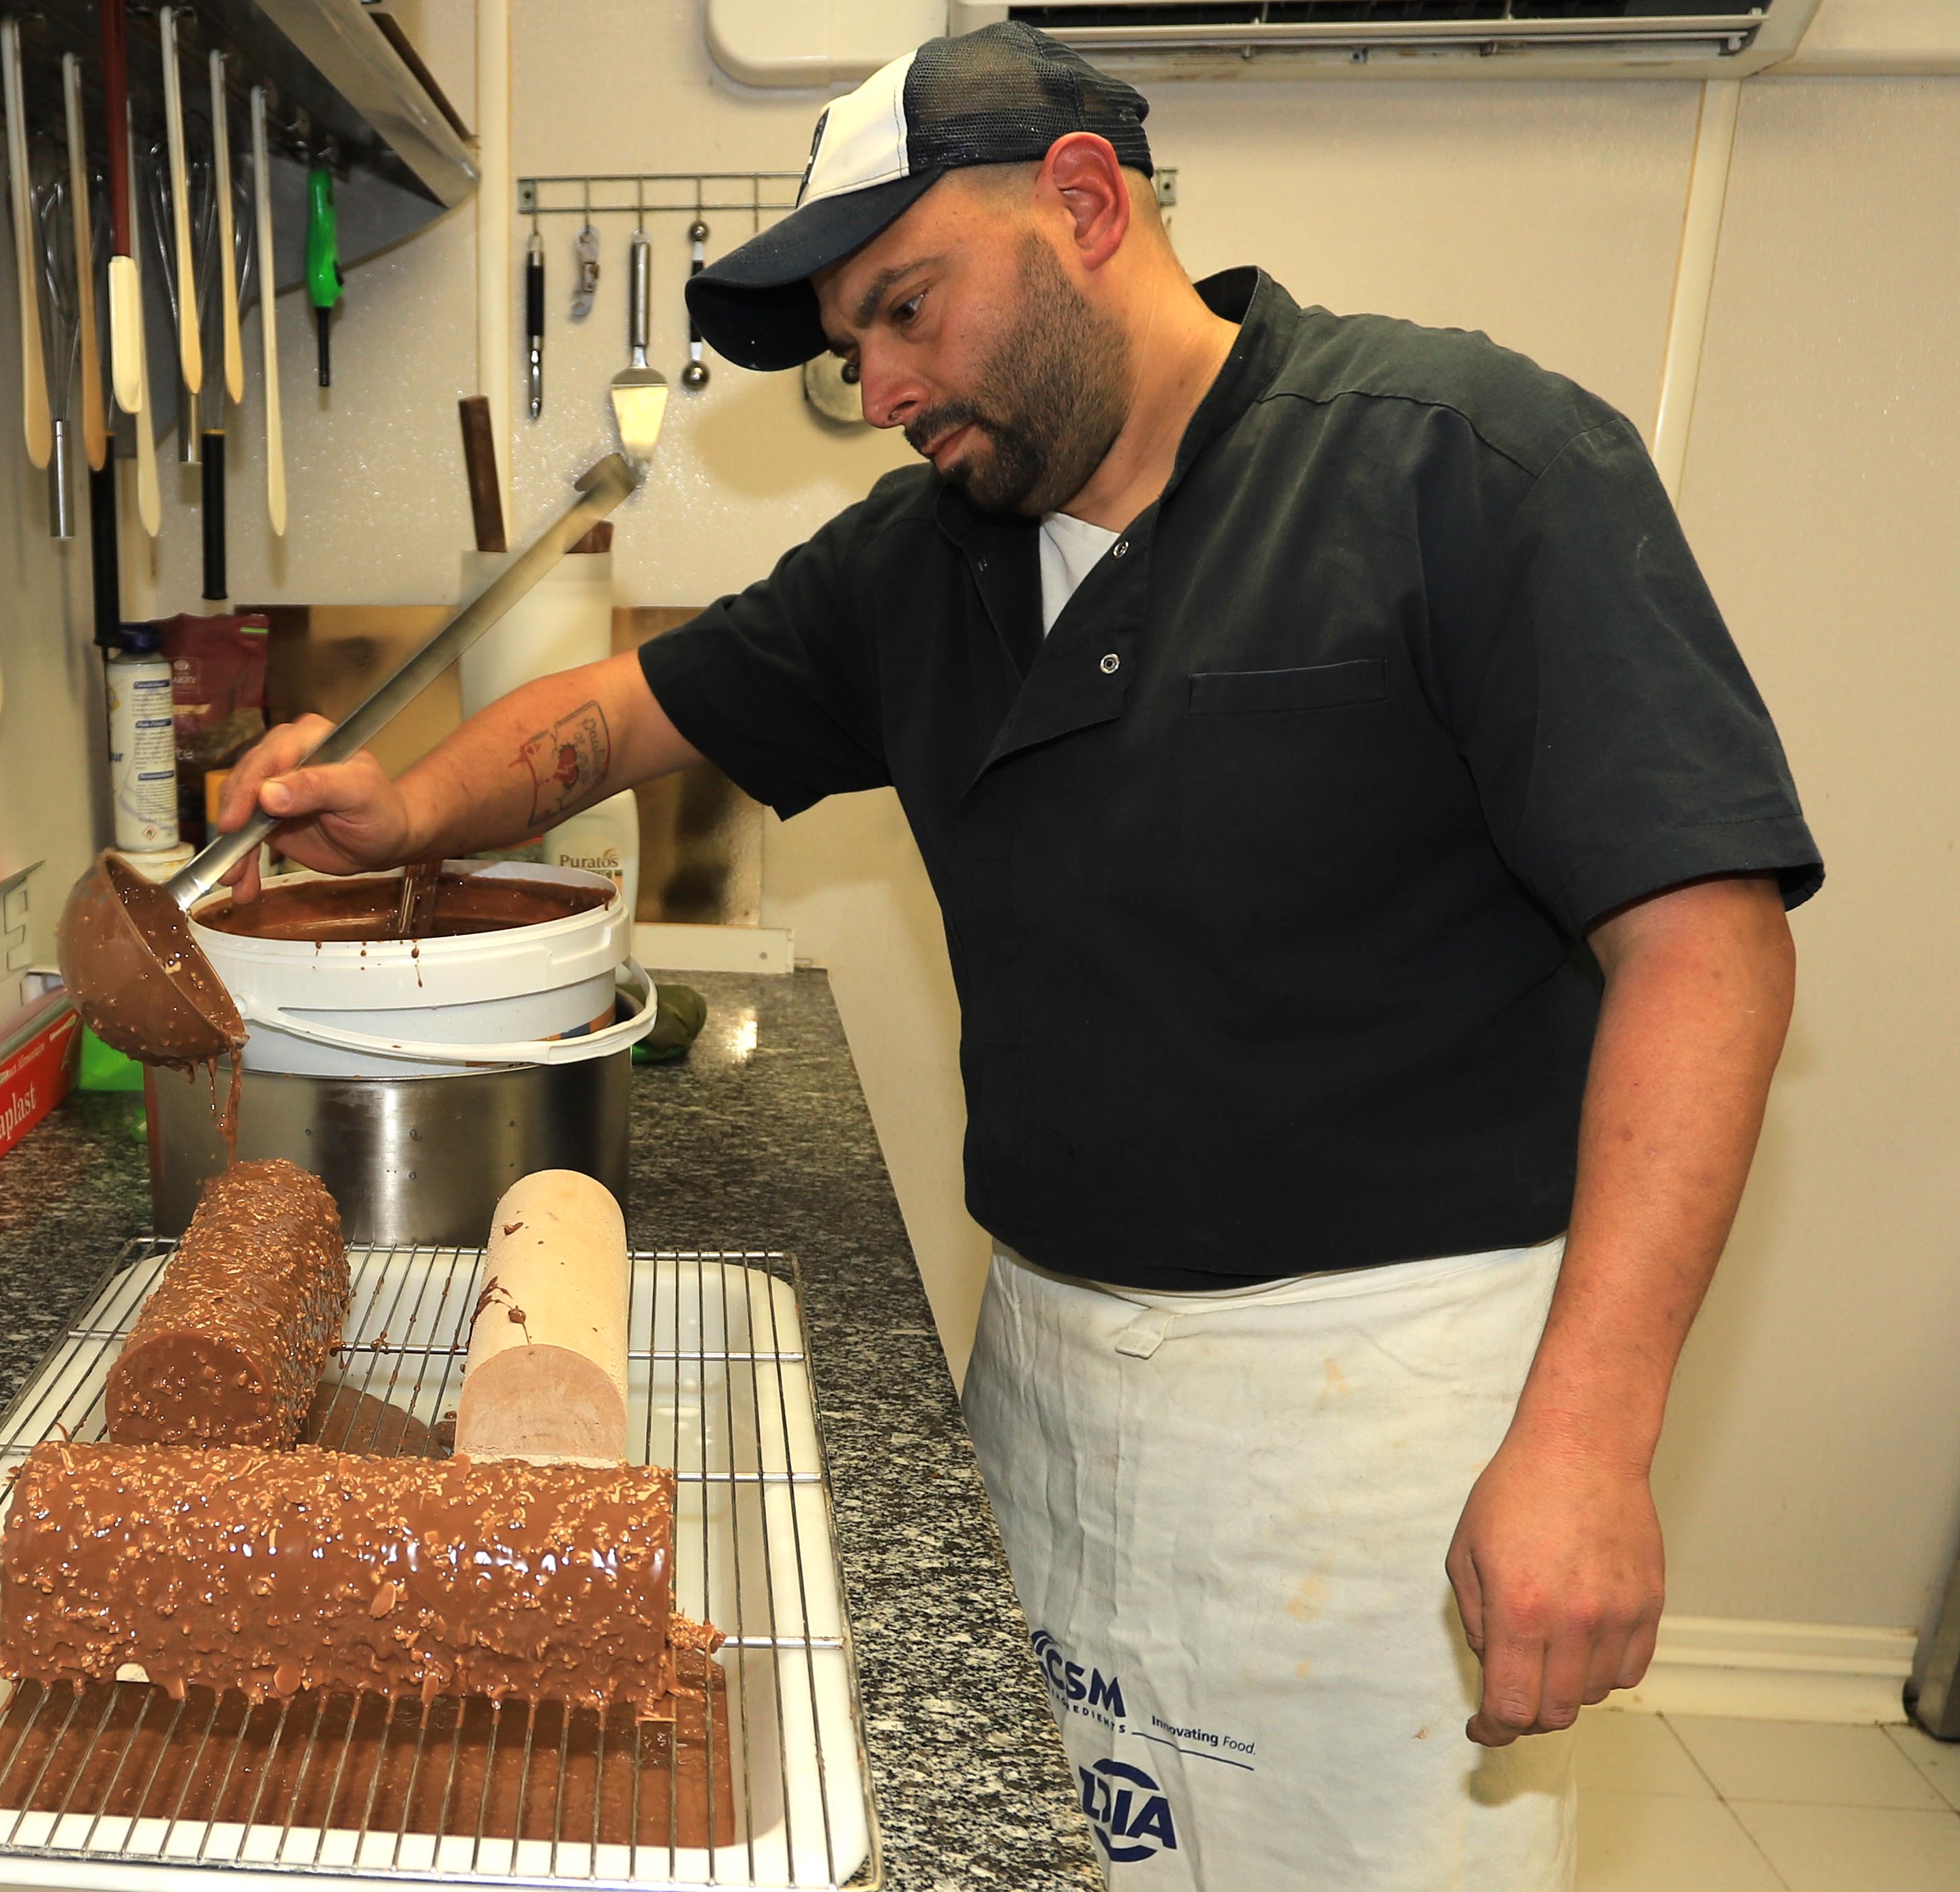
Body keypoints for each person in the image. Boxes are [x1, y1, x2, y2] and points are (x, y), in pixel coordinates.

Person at [215, 22, 1818, 1889]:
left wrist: (1592, 1446)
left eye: (908, 310)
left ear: (1081, 206)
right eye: (850, 350)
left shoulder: (1461, 464)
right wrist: (400, 814)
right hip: (1051, 1376)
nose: (881, 386)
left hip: (1396, 1414)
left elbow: (1707, 948)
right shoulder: (926, 563)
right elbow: (622, 713)